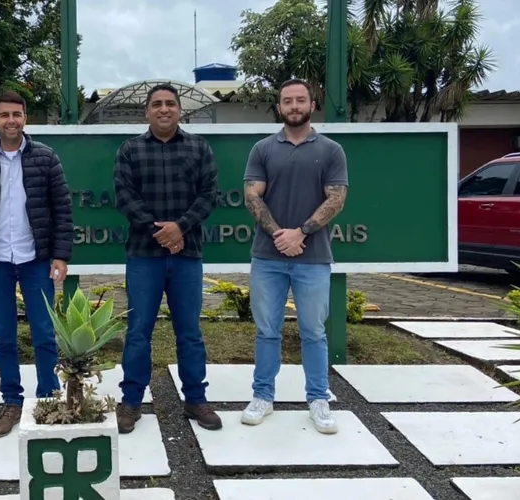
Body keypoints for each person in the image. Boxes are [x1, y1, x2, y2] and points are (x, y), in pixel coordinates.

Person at [0, 90, 74, 437]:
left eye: (17, 114)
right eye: (4, 115)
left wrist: (61, 254)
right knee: (4, 336)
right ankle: (11, 401)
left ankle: (48, 399)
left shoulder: (46, 158)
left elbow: (63, 209)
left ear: (26, 118)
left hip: (35, 260)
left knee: (44, 335)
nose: (11, 120)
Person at [241, 78, 348, 434]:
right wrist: (278, 235)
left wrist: (301, 233)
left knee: (313, 332)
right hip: (267, 257)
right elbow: (252, 196)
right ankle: (263, 396)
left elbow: (336, 199)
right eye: (287, 100)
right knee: (266, 330)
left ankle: (318, 400)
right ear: (280, 107)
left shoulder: (332, 150)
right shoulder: (263, 149)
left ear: (311, 104)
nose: (294, 106)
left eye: (300, 100)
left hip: (314, 257)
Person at [113, 83, 222, 434]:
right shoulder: (129, 150)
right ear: (147, 112)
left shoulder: (199, 147)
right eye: (157, 104)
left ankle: (195, 399)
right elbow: (125, 197)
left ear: (179, 110)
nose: (164, 109)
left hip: (187, 256)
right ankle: (131, 401)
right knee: (138, 332)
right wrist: (161, 233)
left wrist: (181, 228)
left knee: (190, 333)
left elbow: (209, 195)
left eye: (170, 104)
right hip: (144, 256)